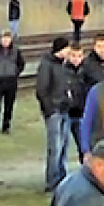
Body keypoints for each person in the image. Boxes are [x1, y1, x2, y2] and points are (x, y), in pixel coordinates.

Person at [36, 37, 73, 192]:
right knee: (55, 147)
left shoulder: (63, 65)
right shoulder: (47, 65)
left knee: (64, 145)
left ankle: (61, 176)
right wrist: (49, 108)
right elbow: (42, 89)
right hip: (54, 111)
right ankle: (52, 180)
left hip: (64, 109)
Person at [0, 30, 25, 134]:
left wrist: (15, 73)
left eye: (8, 38)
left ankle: (6, 125)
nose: (5, 41)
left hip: (11, 81)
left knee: (9, 105)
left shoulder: (16, 51)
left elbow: (21, 64)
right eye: (4, 38)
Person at [65, 46, 89, 163]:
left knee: (83, 144)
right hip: (67, 112)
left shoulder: (86, 71)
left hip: (82, 112)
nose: (76, 59)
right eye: (73, 56)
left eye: (79, 56)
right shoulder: (64, 71)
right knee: (62, 145)